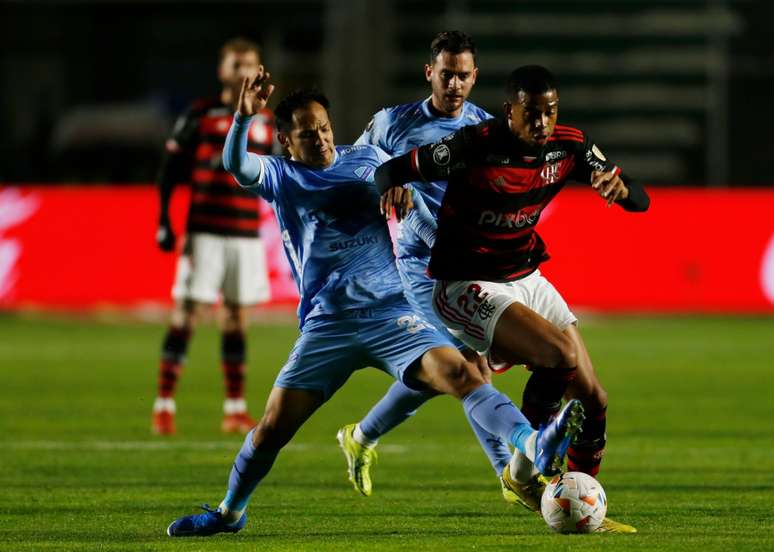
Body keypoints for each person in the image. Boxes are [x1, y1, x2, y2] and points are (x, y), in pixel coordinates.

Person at [164, 78, 585, 537]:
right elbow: (235, 164)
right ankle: (229, 512)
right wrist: (244, 118)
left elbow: (413, 198)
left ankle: (532, 443)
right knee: (270, 430)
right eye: (307, 133)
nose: (321, 138)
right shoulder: (280, 176)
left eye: (324, 128)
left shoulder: (367, 160)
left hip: (392, 314)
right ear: (286, 141)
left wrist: (404, 190)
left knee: (463, 374)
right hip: (329, 326)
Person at [375, 65, 649, 533]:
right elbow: (389, 170)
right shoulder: (473, 145)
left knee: (593, 398)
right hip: (464, 283)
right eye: (532, 114)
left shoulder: (570, 145)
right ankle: (526, 470)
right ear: (510, 112)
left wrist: (622, 191)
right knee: (558, 355)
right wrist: (394, 185)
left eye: (550, 112)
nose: (542, 123)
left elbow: (640, 199)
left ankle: (576, 503)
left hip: (526, 275)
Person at [334, 30, 516, 502]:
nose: (454, 84)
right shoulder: (392, 124)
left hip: (469, 260)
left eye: (463, 76)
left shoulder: (487, 130)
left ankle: (362, 435)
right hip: (418, 264)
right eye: (446, 74)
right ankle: (510, 475)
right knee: (471, 363)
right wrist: (386, 181)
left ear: (475, 77)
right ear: (429, 72)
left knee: (441, 372)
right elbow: (352, 166)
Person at [151, 38, 276, 435]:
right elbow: (170, 168)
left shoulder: (267, 121)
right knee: (187, 314)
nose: (243, 72)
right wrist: (164, 221)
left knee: (237, 319)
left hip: (246, 234)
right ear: (222, 71)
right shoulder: (200, 113)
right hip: (203, 231)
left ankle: (235, 408)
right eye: (236, 65)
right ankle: (164, 403)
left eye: (250, 65)